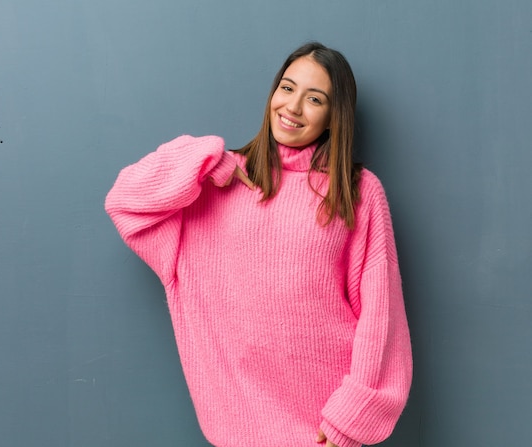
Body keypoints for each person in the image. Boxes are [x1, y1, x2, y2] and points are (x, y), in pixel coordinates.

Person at [105, 42, 412, 447]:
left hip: (326, 432)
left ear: (333, 118)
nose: (294, 107)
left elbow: (381, 317)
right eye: (287, 88)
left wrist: (350, 419)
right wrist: (205, 160)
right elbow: (126, 199)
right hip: (237, 431)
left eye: (315, 98)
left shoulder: (356, 192)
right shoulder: (215, 186)